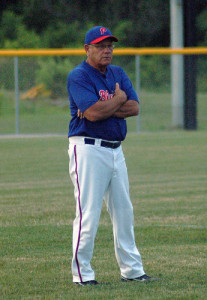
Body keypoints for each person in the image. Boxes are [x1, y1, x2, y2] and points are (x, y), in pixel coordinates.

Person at [67, 26, 155, 286]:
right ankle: (82, 275)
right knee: (88, 214)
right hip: (88, 148)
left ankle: (132, 270)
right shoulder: (79, 75)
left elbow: (135, 108)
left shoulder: (118, 72)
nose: (107, 50)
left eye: (110, 45)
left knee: (124, 212)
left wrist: (106, 106)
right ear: (87, 49)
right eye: (100, 45)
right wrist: (117, 101)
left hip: (116, 149)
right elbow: (92, 114)